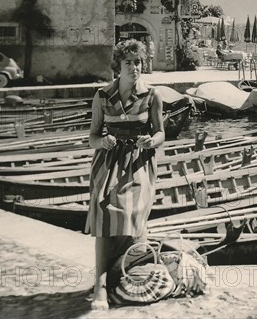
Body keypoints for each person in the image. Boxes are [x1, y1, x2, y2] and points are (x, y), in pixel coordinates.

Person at [86, 39, 165, 310]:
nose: (134, 67)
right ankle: (100, 284)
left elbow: (160, 133)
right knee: (103, 210)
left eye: (138, 62)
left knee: (129, 211)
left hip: (139, 163)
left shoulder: (152, 95)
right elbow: (93, 137)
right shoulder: (102, 96)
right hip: (108, 162)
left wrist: (151, 142)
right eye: (128, 62)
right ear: (117, 67)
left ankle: (116, 274)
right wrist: (103, 142)